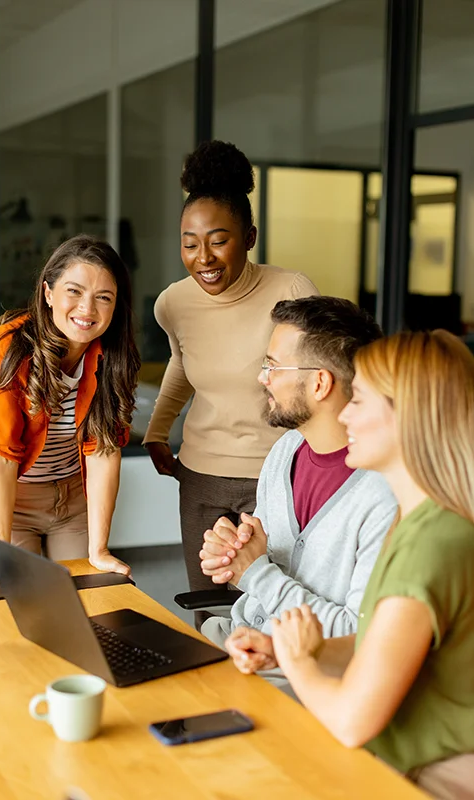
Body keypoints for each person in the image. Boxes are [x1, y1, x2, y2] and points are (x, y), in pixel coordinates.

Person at [226, 330, 474, 797]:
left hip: (420, 776)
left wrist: (299, 663)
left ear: (409, 418)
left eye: (358, 399)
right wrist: (284, 649)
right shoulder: (421, 520)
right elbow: (379, 642)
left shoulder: (432, 545)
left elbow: (352, 723)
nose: (345, 414)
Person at [143, 140, 318, 610]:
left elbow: (313, 374)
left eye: (219, 241)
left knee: (265, 605)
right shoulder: (172, 303)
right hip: (199, 475)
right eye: (189, 243)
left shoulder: (291, 290)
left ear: (250, 237)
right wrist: (158, 431)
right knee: (208, 605)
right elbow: (184, 363)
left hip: (275, 472)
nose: (204, 257)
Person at [199, 297, 397, 658]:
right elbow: (263, 555)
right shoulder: (286, 449)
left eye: (273, 366)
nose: (262, 378)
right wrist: (233, 551)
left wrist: (255, 574)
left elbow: (357, 635)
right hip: (236, 637)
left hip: (296, 671)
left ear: (320, 383)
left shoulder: (385, 494)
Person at [0, 234, 140, 585]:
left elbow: (103, 450)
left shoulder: (115, 354)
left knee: (85, 599)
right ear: (48, 293)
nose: (87, 310)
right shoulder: (10, 346)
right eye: (74, 291)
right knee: (16, 598)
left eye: (103, 297)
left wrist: (100, 548)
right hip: (14, 503)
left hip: (73, 499)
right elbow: (1, 455)